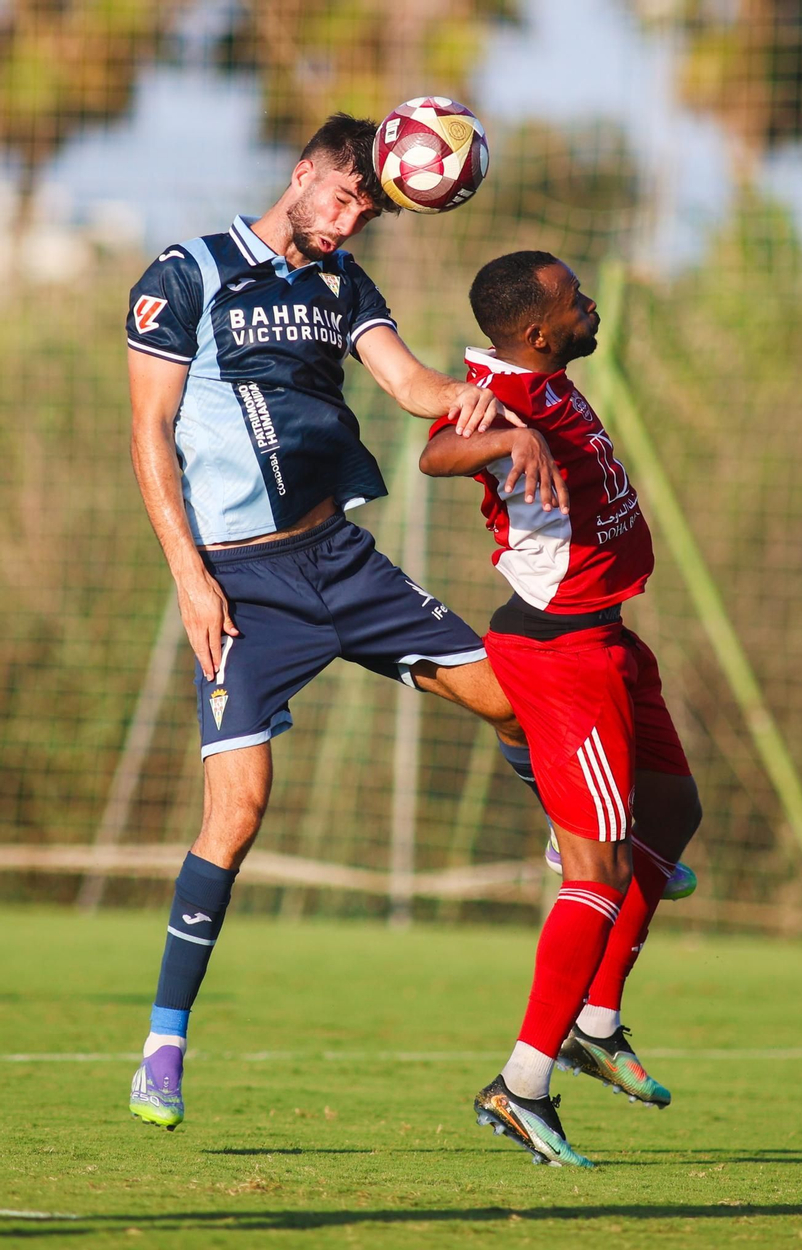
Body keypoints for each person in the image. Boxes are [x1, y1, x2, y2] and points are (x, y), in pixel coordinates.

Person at [124, 114, 571, 1131]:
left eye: (371, 205)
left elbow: (413, 386)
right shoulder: (186, 272)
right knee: (236, 812)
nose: (352, 214)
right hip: (241, 586)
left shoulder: (343, 287)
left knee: (509, 696)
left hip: (339, 559)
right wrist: (189, 577)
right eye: (344, 194)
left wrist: (499, 414)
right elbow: (148, 432)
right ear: (302, 174)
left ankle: (571, 829)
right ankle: (163, 1043)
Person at [420, 251, 702, 1168]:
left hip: (610, 640)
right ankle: (523, 1083)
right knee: (596, 872)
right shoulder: (504, 395)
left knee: (675, 812)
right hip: (561, 652)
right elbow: (437, 450)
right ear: (540, 330)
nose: (590, 305)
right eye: (576, 299)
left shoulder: (543, 371)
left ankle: (597, 1019)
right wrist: (503, 440)